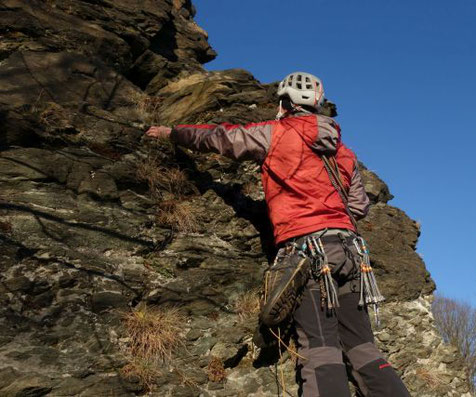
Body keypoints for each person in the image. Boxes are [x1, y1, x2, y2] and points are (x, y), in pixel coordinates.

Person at [145, 71, 411, 396]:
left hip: (309, 252)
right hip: (352, 253)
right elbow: (358, 204)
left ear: (284, 102)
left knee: (320, 349)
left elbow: (223, 138)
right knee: (364, 349)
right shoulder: (343, 152)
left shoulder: (276, 133)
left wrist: (172, 133)